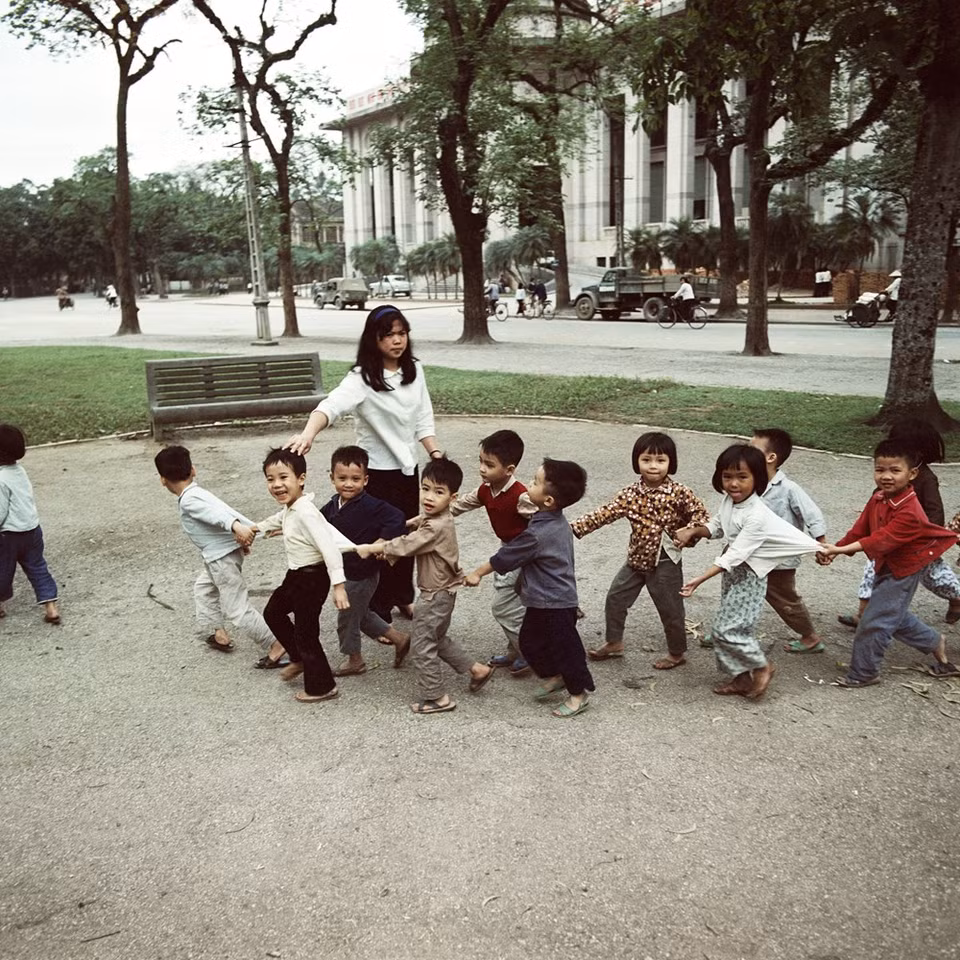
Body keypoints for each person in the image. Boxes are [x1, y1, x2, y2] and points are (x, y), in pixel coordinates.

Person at [286, 305, 444, 625]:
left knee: (405, 537)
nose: (397, 341)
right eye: (388, 335)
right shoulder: (361, 378)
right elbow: (329, 407)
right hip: (376, 474)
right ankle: (378, 607)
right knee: (378, 544)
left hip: (406, 471)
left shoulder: (414, 370)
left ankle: (401, 597)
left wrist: (435, 454)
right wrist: (308, 434)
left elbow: (423, 418)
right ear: (374, 339)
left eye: (401, 333)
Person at [674, 445, 823, 700]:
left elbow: (735, 555)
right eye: (727, 476)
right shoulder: (729, 501)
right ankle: (741, 678)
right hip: (733, 574)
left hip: (749, 576)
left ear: (757, 478)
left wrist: (698, 580)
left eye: (742, 477)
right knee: (727, 629)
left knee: (725, 630)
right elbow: (718, 526)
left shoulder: (757, 515)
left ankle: (761, 666)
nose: (734, 484)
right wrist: (694, 531)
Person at [355, 457, 494, 715]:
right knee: (436, 638)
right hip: (444, 593)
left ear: (453, 497)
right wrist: (409, 523)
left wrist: (373, 548)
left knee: (422, 646)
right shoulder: (438, 516)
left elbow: (408, 545)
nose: (429, 497)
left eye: (438, 492)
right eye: (426, 488)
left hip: (435, 596)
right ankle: (477, 669)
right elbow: (422, 523)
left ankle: (438, 697)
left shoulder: (435, 527)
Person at [820, 438, 960, 688]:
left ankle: (863, 673)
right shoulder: (879, 498)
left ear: (912, 473)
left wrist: (839, 549)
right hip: (885, 565)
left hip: (903, 570)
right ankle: (933, 642)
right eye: (880, 469)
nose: (886, 476)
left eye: (895, 470)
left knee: (874, 621)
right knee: (888, 614)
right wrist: (836, 549)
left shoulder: (910, 512)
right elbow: (861, 529)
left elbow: (880, 540)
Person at [465, 459, 593, 719]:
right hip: (540, 600)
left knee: (566, 649)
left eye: (534, 483)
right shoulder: (550, 520)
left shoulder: (539, 533)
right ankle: (556, 675)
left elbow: (507, 556)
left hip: (556, 603)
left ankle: (578, 694)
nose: (528, 486)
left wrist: (478, 572)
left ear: (548, 501)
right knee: (530, 643)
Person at [570, 432, 710, 671]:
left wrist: (690, 530)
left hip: (665, 561)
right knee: (615, 598)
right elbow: (604, 513)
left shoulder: (680, 492)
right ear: (637, 461)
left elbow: (701, 515)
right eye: (646, 460)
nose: (653, 466)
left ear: (671, 463)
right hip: (635, 560)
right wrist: (572, 528)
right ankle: (614, 642)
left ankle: (677, 653)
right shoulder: (630, 494)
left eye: (660, 460)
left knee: (670, 609)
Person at [155, 444, 282, 663]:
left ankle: (276, 644)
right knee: (203, 589)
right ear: (193, 470)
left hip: (221, 560)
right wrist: (237, 537)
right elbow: (219, 514)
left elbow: (217, 515)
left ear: (162, 479)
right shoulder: (196, 492)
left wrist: (236, 528)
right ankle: (217, 633)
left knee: (237, 609)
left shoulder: (189, 499)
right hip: (221, 554)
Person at [838, 419, 960, 629]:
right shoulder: (892, 473)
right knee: (872, 571)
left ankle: (957, 598)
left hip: (917, 544)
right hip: (887, 540)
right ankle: (863, 614)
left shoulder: (925, 478)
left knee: (937, 580)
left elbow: (935, 511)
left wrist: (926, 538)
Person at [253, 448, 350, 704]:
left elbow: (329, 547)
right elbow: (276, 520)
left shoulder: (306, 512)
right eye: (270, 479)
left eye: (283, 477)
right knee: (273, 612)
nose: (277, 485)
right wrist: (254, 530)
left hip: (312, 578)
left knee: (306, 632)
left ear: (301, 478)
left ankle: (322, 686)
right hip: (295, 575)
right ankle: (298, 658)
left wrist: (338, 585)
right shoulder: (291, 508)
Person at [319, 445, 412, 677]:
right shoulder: (332, 506)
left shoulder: (372, 505)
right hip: (347, 570)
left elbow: (397, 517)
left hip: (362, 573)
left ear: (366, 480)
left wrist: (381, 541)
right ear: (332, 478)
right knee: (360, 615)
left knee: (347, 618)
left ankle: (355, 660)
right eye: (342, 478)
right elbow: (315, 523)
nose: (349, 484)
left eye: (355, 479)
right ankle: (400, 639)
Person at [448, 429, 535, 676]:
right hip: (507, 549)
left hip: (523, 554)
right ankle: (515, 651)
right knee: (514, 602)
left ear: (509, 469)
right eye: (480, 462)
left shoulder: (521, 496)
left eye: (489, 464)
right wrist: (423, 519)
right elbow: (458, 505)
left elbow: (543, 524)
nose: (482, 469)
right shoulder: (486, 489)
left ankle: (530, 653)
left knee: (504, 606)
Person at [749, 428, 828, 654]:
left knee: (784, 599)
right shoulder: (748, 483)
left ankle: (810, 636)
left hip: (779, 559)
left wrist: (821, 545)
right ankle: (729, 631)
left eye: (751, 449)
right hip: (749, 552)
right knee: (736, 591)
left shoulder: (789, 489)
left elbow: (812, 515)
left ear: (771, 457)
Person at [0, 424, 61, 625]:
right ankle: (51, 607)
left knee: (3, 570)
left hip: (8, 535)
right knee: (37, 567)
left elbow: (1, 511)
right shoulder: (19, 471)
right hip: (32, 530)